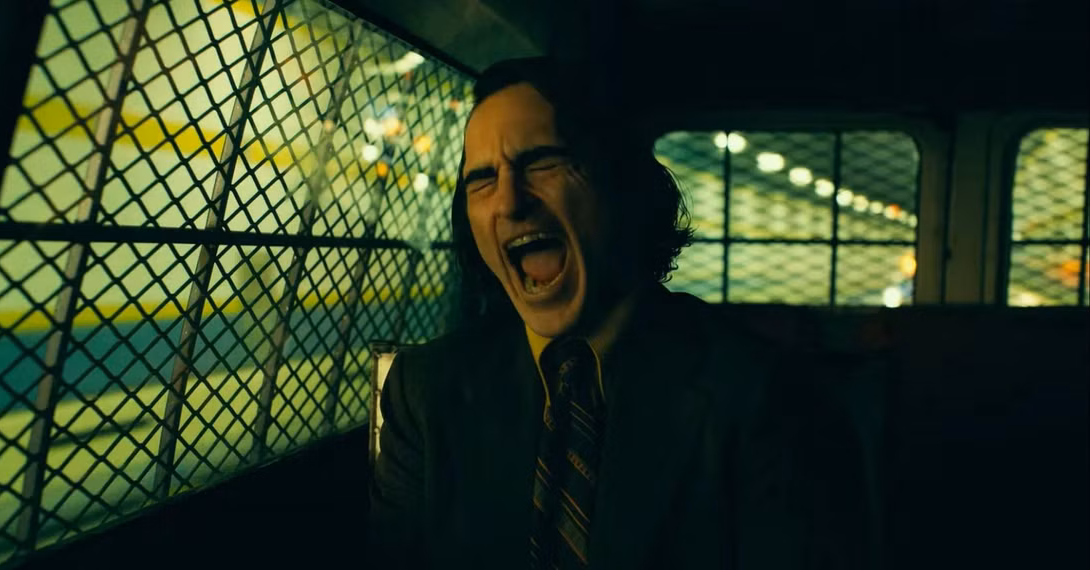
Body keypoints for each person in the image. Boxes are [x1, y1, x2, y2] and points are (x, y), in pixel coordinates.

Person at [369, 57, 869, 569]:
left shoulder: (771, 401)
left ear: (621, 182)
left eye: (543, 162)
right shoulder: (424, 391)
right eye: (481, 180)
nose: (509, 202)